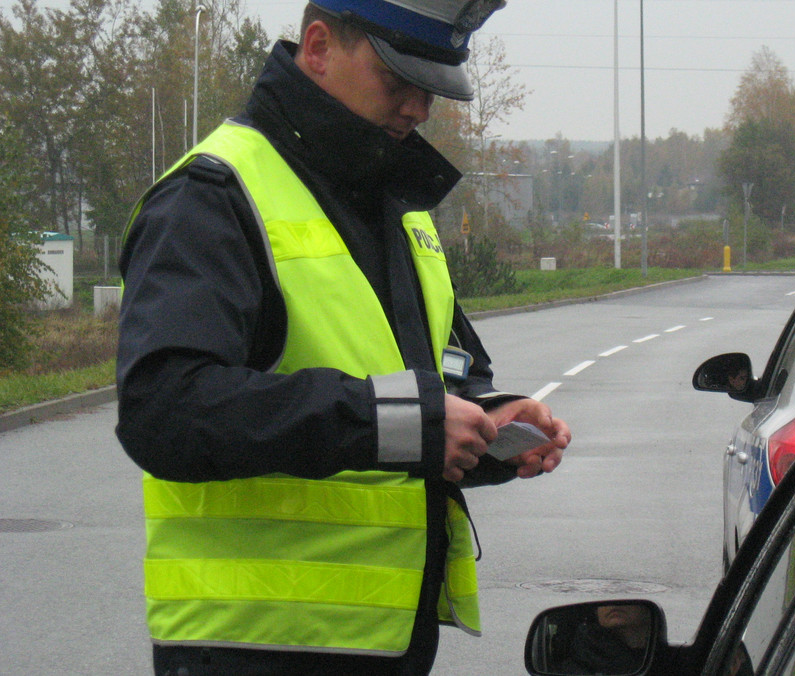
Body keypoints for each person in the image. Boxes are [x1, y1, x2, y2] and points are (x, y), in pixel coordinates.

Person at [115, 0, 570, 673]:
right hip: (251, 648)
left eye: (433, 90)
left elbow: (431, 382)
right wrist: (404, 423)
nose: (418, 108)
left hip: (382, 650)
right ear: (320, 47)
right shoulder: (213, 195)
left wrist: (490, 423)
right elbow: (165, 409)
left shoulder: (393, 205)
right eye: (398, 80)